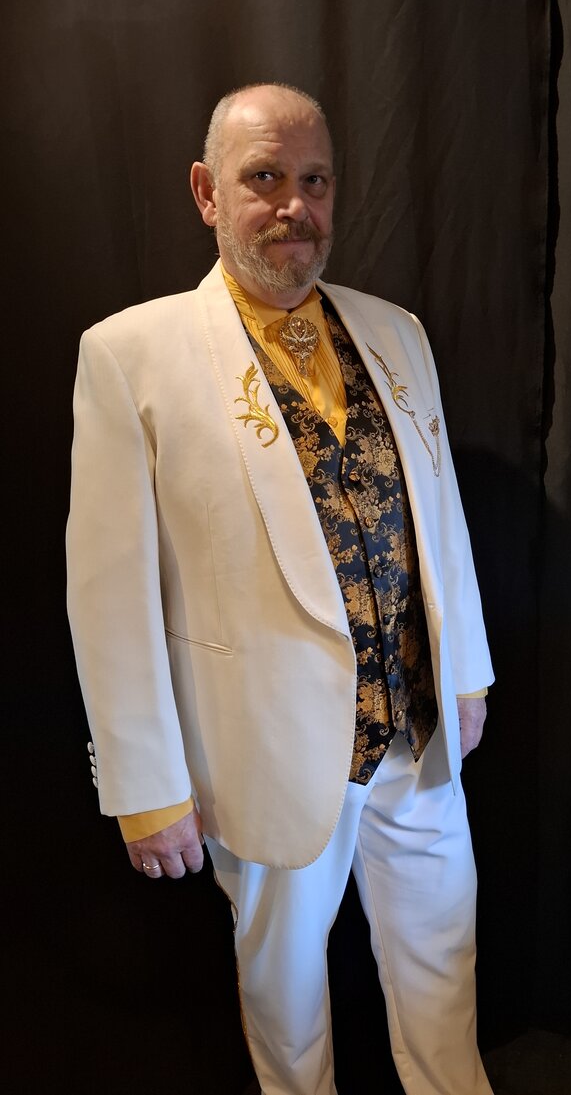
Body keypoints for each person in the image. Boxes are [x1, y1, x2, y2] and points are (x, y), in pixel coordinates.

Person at [67, 82, 495, 1095]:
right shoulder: (129, 355)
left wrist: (468, 673)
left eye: (315, 180)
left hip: (418, 730)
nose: (294, 206)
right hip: (263, 749)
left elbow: (439, 515)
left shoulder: (396, 331)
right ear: (207, 192)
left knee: (445, 966)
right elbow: (108, 596)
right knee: (288, 993)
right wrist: (145, 787)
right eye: (264, 178)